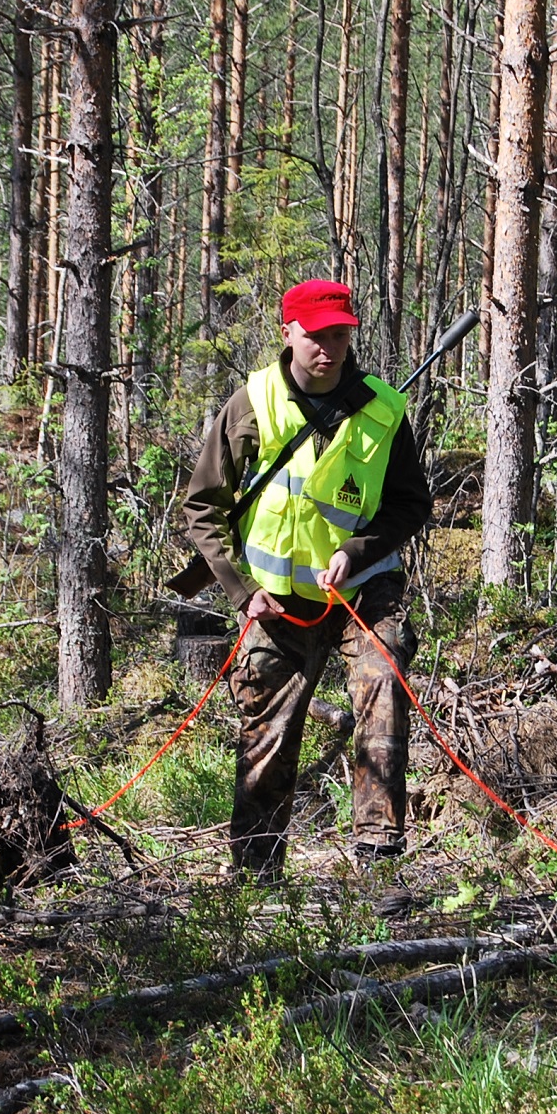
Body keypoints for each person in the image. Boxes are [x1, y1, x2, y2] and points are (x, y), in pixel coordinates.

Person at [181, 279, 435, 879]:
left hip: (364, 591)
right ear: (288, 332)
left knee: (384, 681)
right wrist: (243, 592)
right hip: (277, 605)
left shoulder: (384, 409)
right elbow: (203, 505)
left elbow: (410, 505)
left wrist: (359, 548)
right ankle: (256, 876)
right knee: (267, 728)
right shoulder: (253, 402)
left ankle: (379, 865)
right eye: (317, 335)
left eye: (340, 335)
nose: (330, 347)